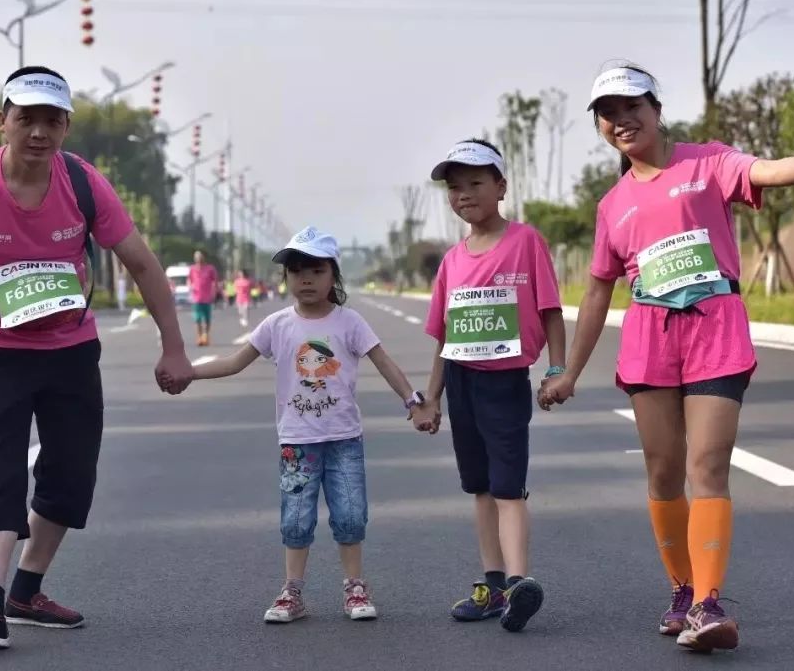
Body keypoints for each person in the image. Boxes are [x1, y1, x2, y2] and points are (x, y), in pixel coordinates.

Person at [540, 63, 794, 652]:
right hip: (649, 339)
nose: (622, 121)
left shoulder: (708, 161)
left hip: (715, 329)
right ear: (600, 129)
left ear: (656, 109)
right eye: (608, 115)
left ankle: (708, 603)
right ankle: (681, 591)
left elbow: (766, 171)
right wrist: (568, 372)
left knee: (708, 466)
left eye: (632, 107)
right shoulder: (612, 205)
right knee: (664, 473)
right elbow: (596, 291)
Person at [0, 65, 196, 650]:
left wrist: (173, 346)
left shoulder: (84, 183)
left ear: (66, 126)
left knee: (70, 476)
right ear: (2, 122)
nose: (39, 132)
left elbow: (141, 263)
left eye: (52, 120)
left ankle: (26, 591)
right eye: (26, 119)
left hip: (71, 350)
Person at [192, 226, 433, 623]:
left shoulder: (349, 322)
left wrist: (414, 401)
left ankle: (355, 588)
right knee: (296, 518)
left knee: (351, 515)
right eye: (297, 270)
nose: (305, 278)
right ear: (286, 277)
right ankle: (292, 592)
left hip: (344, 439)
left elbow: (384, 362)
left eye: (316, 270)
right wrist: (190, 373)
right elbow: (235, 362)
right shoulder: (277, 325)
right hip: (297, 441)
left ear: (333, 276)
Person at [416, 139, 566, 633]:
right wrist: (432, 396)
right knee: (478, 487)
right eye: (455, 188)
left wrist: (555, 370)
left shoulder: (525, 241)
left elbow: (549, 311)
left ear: (500, 186)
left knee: (507, 488)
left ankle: (521, 582)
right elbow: (444, 337)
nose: (464, 195)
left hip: (504, 382)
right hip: (460, 383)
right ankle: (494, 585)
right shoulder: (451, 261)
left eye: (475, 183)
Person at [188, 250, 217, 346]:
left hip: (207, 298)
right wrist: (190, 287)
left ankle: (206, 335)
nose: (198, 260)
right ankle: (199, 337)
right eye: (196, 258)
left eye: (200, 258)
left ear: (203, 258)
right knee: (198, 319)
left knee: (207, 319)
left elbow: (214, 281)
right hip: (196, 299)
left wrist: (214, 293)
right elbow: (189, 280)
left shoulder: (210, 269)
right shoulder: (192, 269)